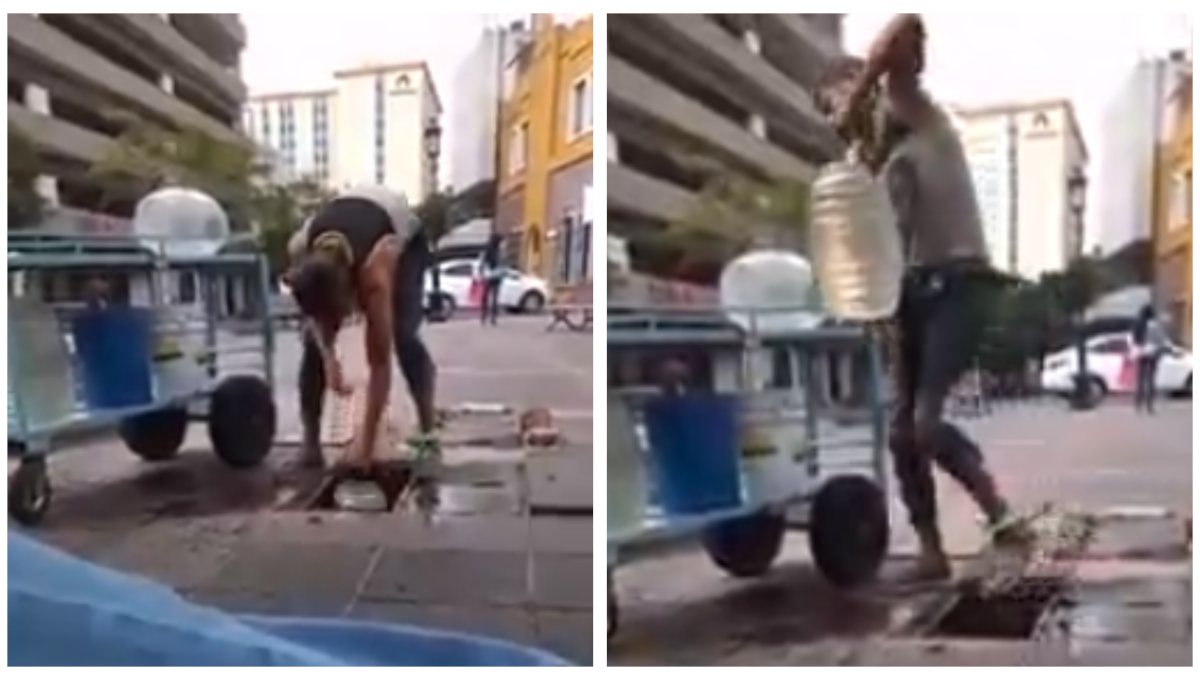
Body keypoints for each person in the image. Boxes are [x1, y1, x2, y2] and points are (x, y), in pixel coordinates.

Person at [822, 14, 1026, 581]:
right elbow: (875, 254)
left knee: (926, 423)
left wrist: (861, 90)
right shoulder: (874, 169)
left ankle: (1002, 516)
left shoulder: (919, 117)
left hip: (960, 284)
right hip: (909, 295)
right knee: (900, 432)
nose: (838, 118)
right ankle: (931, 550)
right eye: (828, 111)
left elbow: (905, 27)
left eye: (839, 102)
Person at [286, 185, 437, 470]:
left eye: (337, 315)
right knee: (310, 346)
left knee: (403, 335)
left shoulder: (375, 274)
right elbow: (315, 317)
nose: (335, 324)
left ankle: (428, 430)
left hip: (404, 241)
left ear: (350, 290)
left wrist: (365, 448)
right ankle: (310, 443)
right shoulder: (300, 247)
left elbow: (379, 364)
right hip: (352, 221)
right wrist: (329, 357)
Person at [1132, 303, 1165, 413]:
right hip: (1152, 354)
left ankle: (1138, 405)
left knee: (1140, 379)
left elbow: (1134, 339)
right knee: (1151, 380)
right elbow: (1160, 340)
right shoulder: (1155, 325)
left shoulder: (1138, 324)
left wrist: (1140, 345)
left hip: (1141, 353)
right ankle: (1150, 406)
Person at [479, 232, 504, 326]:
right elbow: (499, 262)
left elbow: (483, 261)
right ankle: (491, 317)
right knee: (493, 297)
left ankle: (485, 316)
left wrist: (482, 272)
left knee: (487, 296)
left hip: (490, 275)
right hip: (493, 275)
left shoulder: (489, 249)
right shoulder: (495, 250)